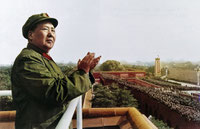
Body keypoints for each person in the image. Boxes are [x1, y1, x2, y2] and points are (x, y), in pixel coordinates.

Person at [11, 13, 101, 129]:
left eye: (53, 31)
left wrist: (82, 71)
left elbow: (59, 82)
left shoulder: (42, 58)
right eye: (45, 29)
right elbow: (55, 92)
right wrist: (82, 72)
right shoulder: (27, 60)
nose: (50, 34)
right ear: (30, 35)